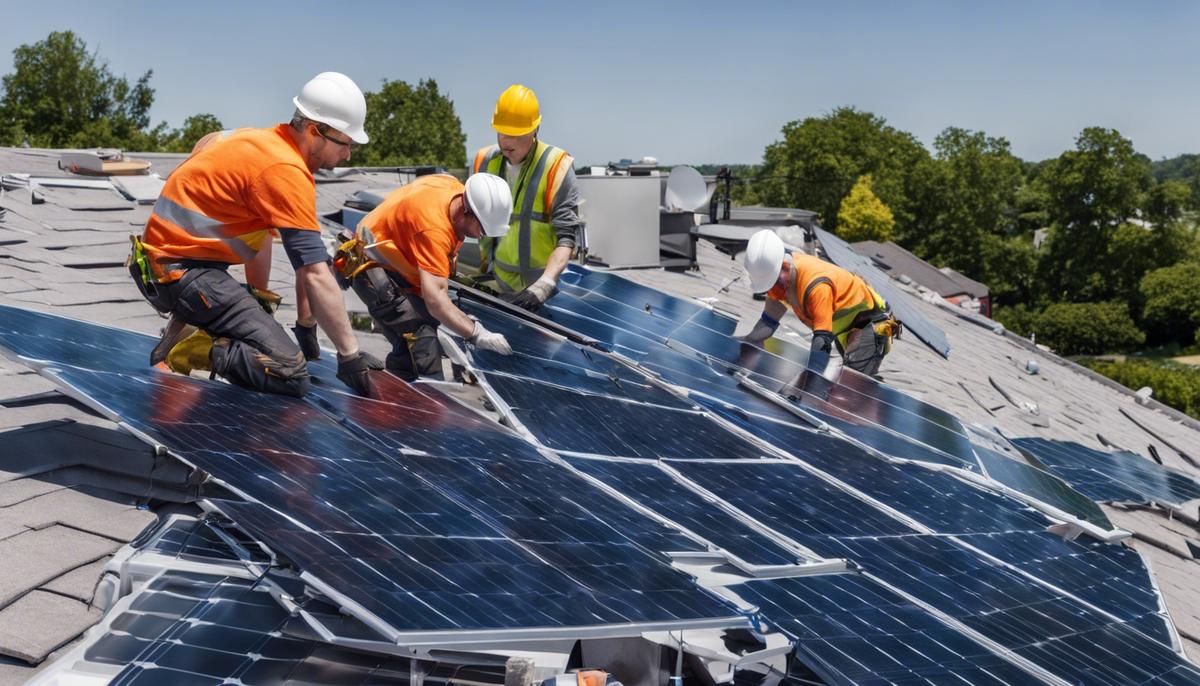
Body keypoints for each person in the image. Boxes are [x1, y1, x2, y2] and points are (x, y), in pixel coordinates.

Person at [128, 71, 381, 397]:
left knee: (264, 336)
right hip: (182, 274)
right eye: (345, 143)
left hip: (161, 264)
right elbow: (315, 273)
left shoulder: (252, 142)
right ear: (315, 131)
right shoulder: (285, 171)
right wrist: (350, 355)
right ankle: (193, 349)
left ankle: (197, 328)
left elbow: (261, 237)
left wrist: (263, 301)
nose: (347, 155)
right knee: (289, 371)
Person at [335, 173, 515, 379]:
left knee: (411, 342)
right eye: (482, 228)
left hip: (395, 260)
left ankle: (402, 385)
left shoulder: (451, 187)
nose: (482, 235)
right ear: (466, 211)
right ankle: (427, 394)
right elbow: (435, 302)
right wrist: (476, 334)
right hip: (370, 265)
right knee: (420, 334)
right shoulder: (433, 229)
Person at [470, 84, 582, 310]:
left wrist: (544, 285)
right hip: (497, 286)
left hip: (544, 293)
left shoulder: (556, 166)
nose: (506, 142)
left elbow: (567, 238)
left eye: (516, 135)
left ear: (534, 129)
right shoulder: (484, 161)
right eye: (502, 132)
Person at [740, 229, 901, 377]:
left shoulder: (817, 286)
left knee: (853, 384)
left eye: (775, 285)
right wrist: (748, 341)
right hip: (848, 328)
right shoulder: (780, 281)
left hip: (874, 323)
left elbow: (821, 343)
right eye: (769, 289)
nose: (774, 293)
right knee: (841, 379)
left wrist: (806, 385)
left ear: (784, 267)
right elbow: (768, 323)